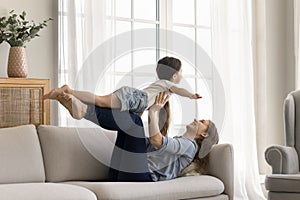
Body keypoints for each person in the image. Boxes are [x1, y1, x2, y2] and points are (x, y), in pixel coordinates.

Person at [49, 89, 219, 182]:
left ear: (203, 134)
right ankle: (83, 110)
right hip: (126, 174)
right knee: (131, 124)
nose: (197, 119)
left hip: (141, 177)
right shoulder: (179, 143)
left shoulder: (190, 146)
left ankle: (84, 110)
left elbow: (156, 140)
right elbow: (148, 143)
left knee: (135, 123)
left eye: (202, 121)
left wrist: (153, 112)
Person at [43, 56, 202, 118]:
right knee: (100, 101)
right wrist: (191, 95)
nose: (182, 75)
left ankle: (76, 104)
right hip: (135, 98)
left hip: (135, 102)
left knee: (103, 106)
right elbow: (180, 90)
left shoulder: (161, 86)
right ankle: (69, 91)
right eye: (181, 72)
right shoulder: (168, 85)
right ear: (174, 76)